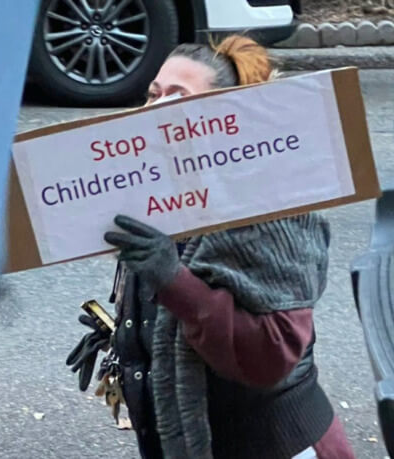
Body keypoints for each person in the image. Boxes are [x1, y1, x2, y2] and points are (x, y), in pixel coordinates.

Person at [66, 35, 354, 459]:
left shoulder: (273, 206)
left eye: (177, 97)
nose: (156, 108)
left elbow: (271, 357)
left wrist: (173, 281)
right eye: (153, 95)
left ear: (223, 118)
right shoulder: (154, 194)